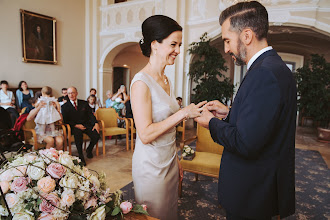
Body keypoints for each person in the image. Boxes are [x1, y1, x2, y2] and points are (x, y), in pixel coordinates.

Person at [195, 1, 296, 219]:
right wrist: (229, 113)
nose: (226, 48)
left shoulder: (263, 74)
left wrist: (211, 123)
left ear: (247, 36)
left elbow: (245, 143)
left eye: (227, 40)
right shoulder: (272, 67)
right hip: (260, 185)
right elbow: (264, 122)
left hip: (252, 190)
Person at [130, 15, 206, 220]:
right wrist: (183, 113)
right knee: (153, 216)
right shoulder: (140, 83)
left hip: (169, 161)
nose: (178, 51)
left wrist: (176, 159)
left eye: (179, 44)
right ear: (155, 44)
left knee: (170, 213)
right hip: (150, 167)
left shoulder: (166, 79)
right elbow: (145, 134)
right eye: (173, 44)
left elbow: (168, 128)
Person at [61, 87, 100, 166]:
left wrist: (96, 123)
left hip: (85, 125)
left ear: (76, 93)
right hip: (73, 126)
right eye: (69, 93)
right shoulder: (64, 106)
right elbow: (66, 120)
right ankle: (81, 156)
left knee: (96, 134)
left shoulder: (84, 103)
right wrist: (76, 125)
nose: (71, 95)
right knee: (78, 135)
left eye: (73, 93)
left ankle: (89, 150)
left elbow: (90, 114)